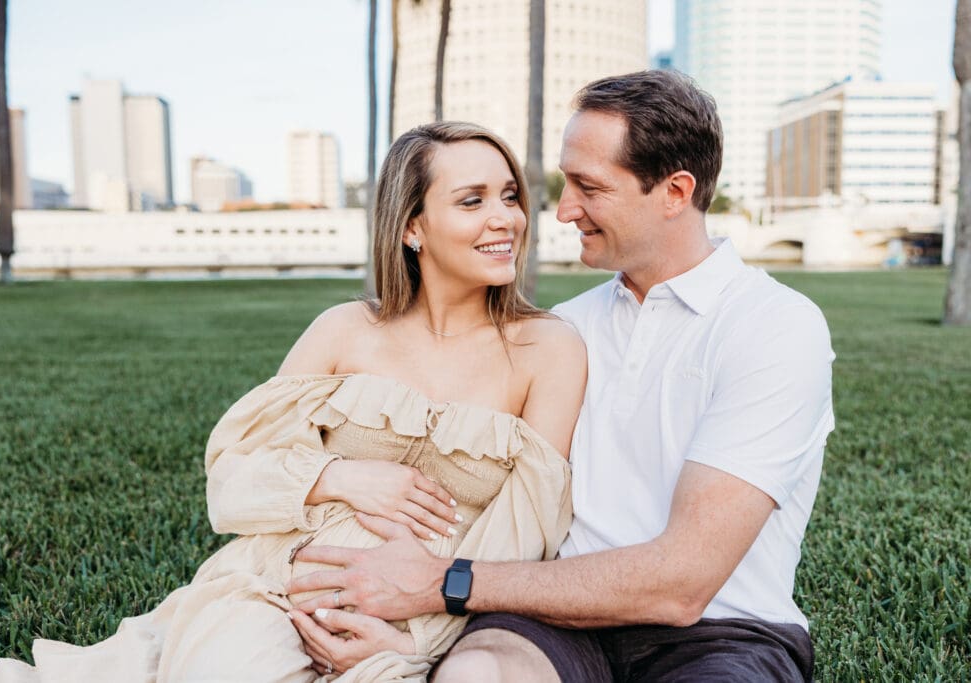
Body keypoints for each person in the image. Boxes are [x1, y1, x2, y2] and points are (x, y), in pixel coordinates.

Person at [0, 121, 587, 683]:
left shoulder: (545, 349)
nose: (506, 218)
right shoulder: (344, 330)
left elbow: (525, 532)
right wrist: (339, 476)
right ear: (412, 226)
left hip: (421, 625)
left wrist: (419, 643)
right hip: (278, 588)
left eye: (510, 196)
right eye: (472, 200)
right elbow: (235, 475)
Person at [285, 70, 835, 683]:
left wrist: (441, 585)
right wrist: (404, 639)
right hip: (544, 621)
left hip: (720, 634)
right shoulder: (559, 332)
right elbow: (459, 496)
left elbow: (682, 586)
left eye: (589, 187)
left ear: (676, 192)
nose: (564, 209)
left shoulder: (775, 326)